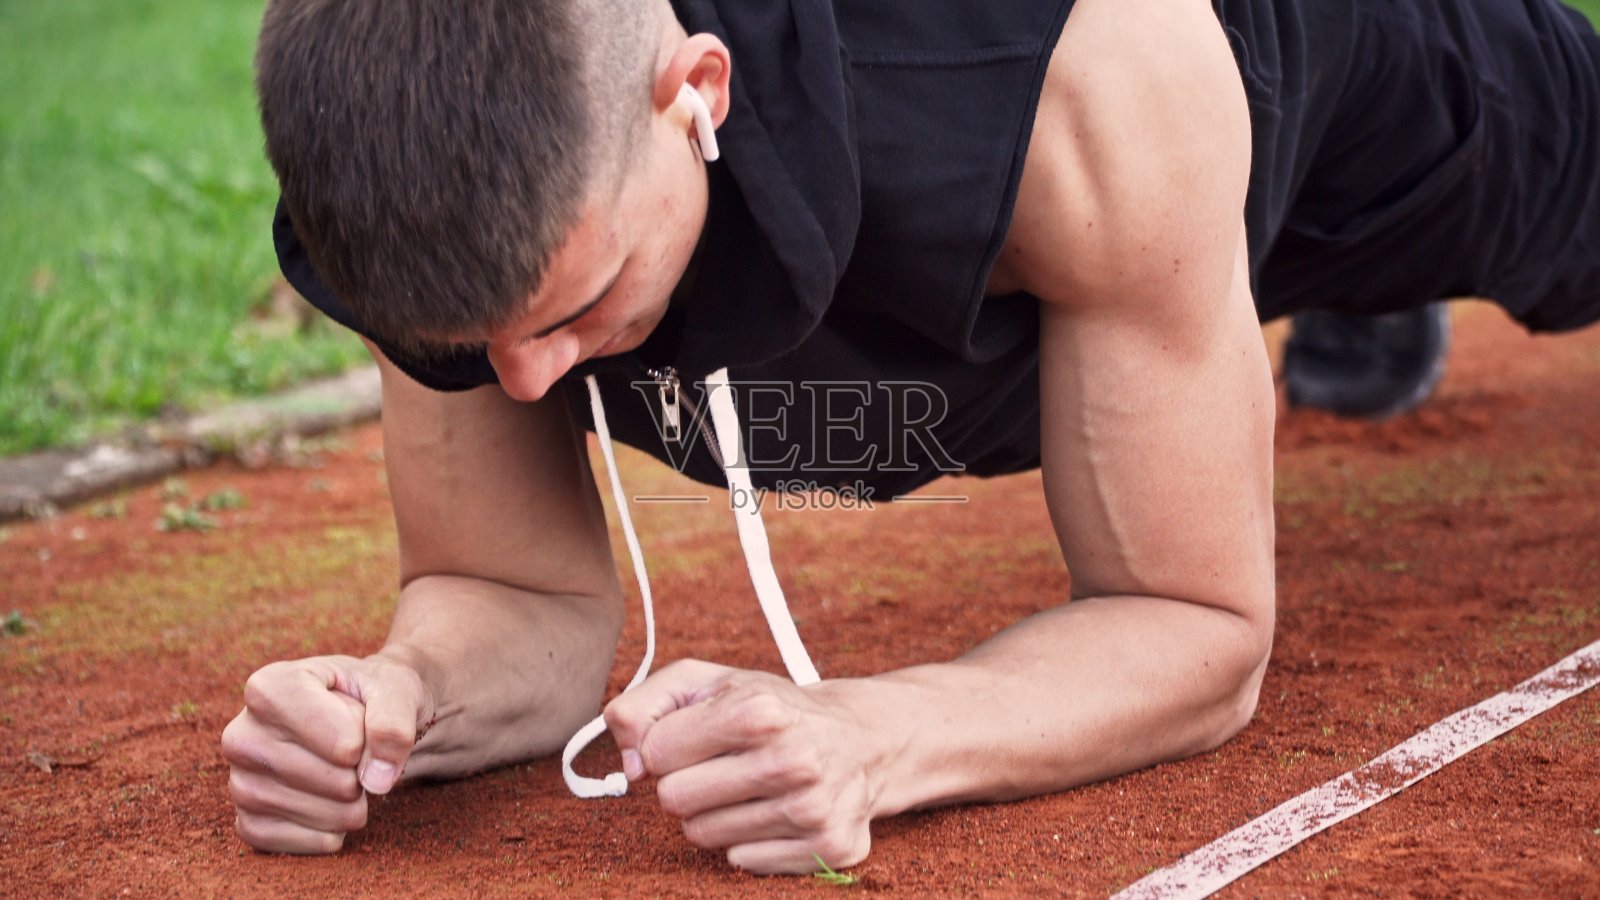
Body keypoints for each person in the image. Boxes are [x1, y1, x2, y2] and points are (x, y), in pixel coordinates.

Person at [222, 0, 1600, 874]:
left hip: (1290, 82)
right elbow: (514, 593)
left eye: (573, 308)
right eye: (472, 346)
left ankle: (1322, 283)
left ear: (695, 93)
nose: (524, 387)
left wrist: (872, 735)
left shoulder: (1086, 75)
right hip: (1104, 255)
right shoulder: (409, 173)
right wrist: (397, 696)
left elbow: (1194, 624)